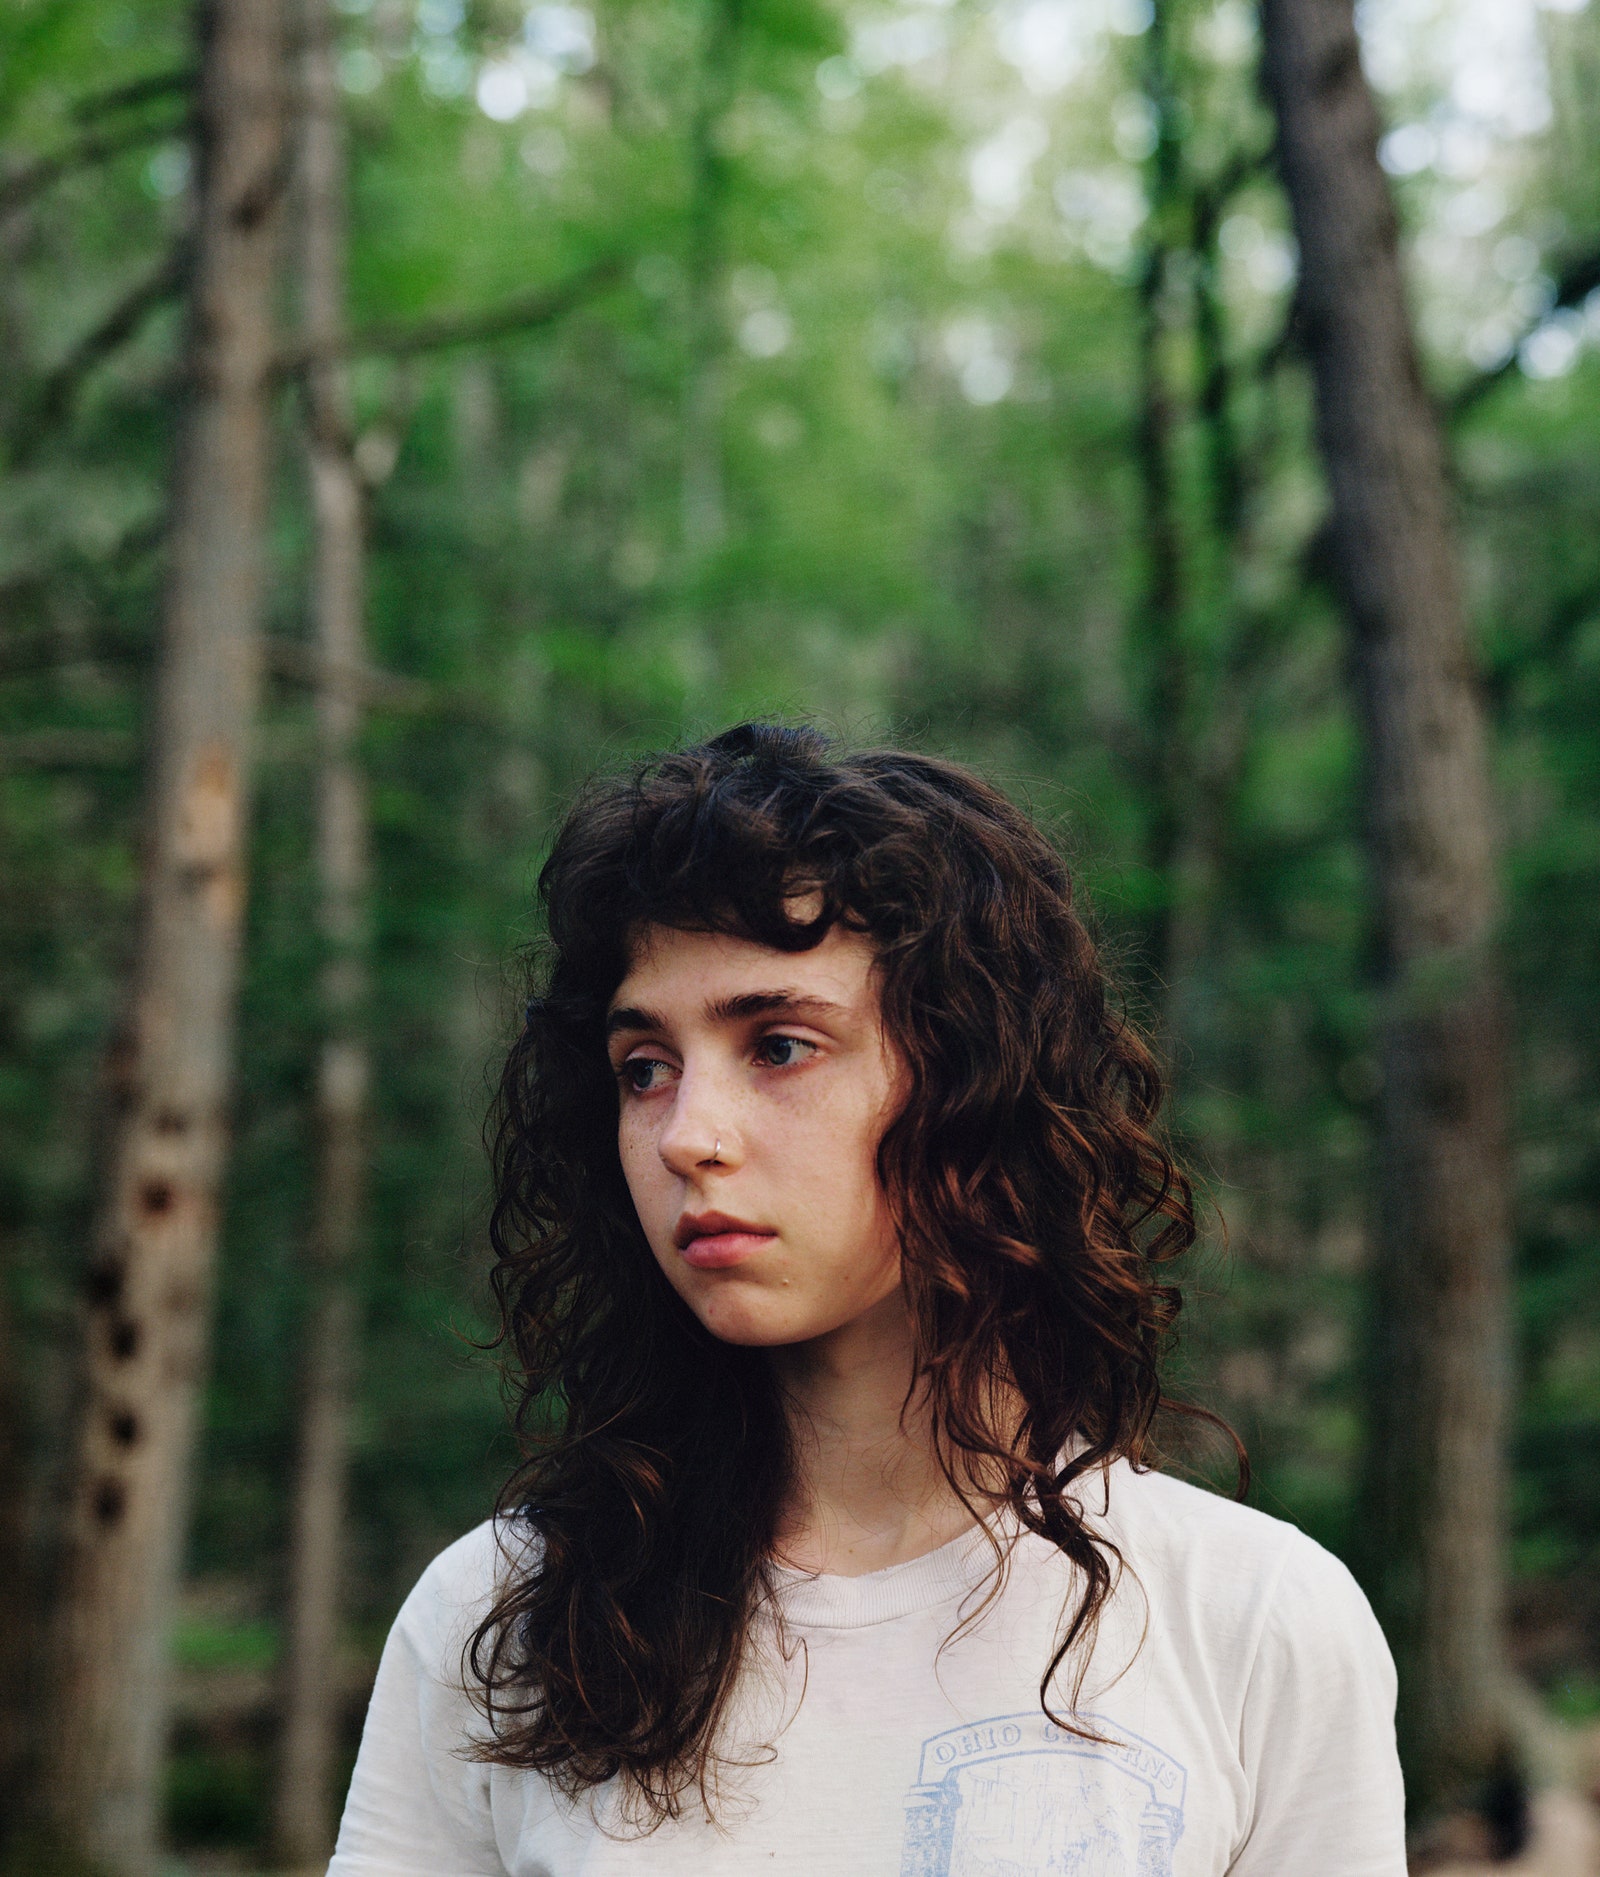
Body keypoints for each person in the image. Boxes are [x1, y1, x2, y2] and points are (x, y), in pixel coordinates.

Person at [328, 723, 1406, 1877]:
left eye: (779, 1045)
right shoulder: (503, 1618)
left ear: (974, 1078)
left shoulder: (1251, 1617)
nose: (688, 1133)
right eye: (645, 1066)